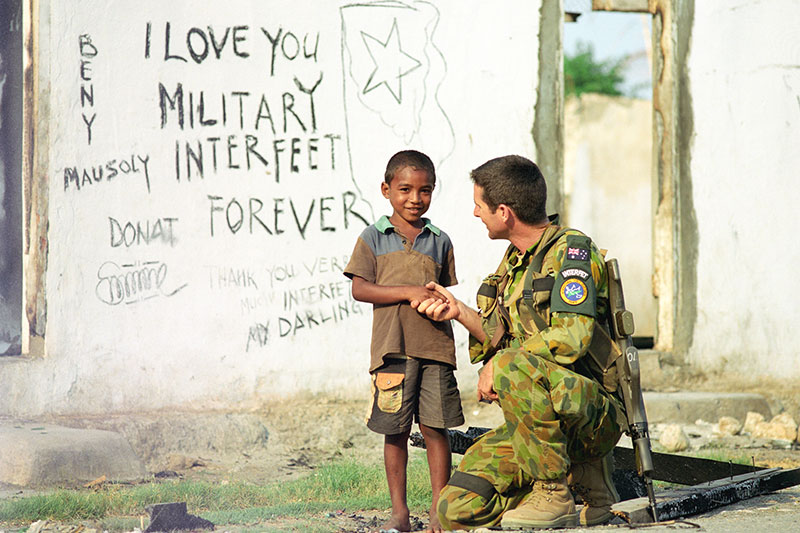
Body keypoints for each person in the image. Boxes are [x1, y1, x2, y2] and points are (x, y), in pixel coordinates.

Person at [413, 155, 624, 529]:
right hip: (539, 429)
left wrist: (503, 362)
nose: (475, 213)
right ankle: (583, 484)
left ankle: (554, 494)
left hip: (592, 415)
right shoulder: (514, 263)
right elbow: (499, 339)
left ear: (505, 212)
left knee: (512, 363)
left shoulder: (572, 251)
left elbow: (572, 338)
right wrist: (459, 312)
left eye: (480, 205)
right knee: (455, 509)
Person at [344, 150, 464, 533]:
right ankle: (399, 513)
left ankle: (438, 511)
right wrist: (407, 291)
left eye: (425, 190)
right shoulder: (372, 238)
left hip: (435, 350)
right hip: (392, 351)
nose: (415, 198)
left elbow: (443, 292)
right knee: (394, 430)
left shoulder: (439, 240)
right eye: (405, 189)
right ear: (386, 190)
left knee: (435, 429)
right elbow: (360, 289)